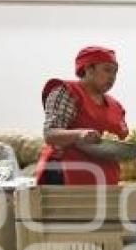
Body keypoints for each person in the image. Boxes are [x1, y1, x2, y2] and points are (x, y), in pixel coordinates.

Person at [34, 45, 129, 185]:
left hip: (105, 179)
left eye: (115, 72)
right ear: (88, 69)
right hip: (66, 174)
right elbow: (50, 134)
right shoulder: (67, 92)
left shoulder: (116, 106)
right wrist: (80, 134)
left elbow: (120, 141)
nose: (112, 77)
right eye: (107, 70)